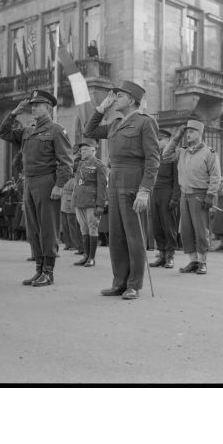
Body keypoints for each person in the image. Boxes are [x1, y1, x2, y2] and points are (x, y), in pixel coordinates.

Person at [84, 80, 160, 300]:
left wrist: (145, 190)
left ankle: (134, 284)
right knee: (116, 236)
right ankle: (119, 282)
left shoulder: (146, 123)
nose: (115, 98)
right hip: (115, 180)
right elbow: (89, 131)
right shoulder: (116, 123)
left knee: (134, 236)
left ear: (132, 100)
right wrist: (101, 108)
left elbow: (153, 159)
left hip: (133, 181)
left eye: (119, 96)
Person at [0, 89, 73, 287]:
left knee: (48, 228)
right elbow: (3, 133)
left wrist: (59, 185)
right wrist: (14, 113)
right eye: (32, 105)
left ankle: (48, 272)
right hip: (29, 182)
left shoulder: (56, 130)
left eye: (37, 105)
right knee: (33, 229)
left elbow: (66, 162)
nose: (33, 108)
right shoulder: (28, 130)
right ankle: (39, 269)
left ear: (48, 108)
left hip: (46, 182)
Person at [162, 119, 221, 274]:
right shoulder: (183, 151)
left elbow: (215, 176)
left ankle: (203, 262)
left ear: (200, 133)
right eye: (187, 132)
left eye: (192, 131)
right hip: (184, 194)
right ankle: (193, 261)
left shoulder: (209, 153)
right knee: (186, 230)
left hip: (200, 195)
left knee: (200, 230)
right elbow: (165, 155)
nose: (188, 134)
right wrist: (176, 137)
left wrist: (210, 195)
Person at [71, 141, 108, 267]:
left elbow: (102, 187)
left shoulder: (99, 165)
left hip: (92, 201)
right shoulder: (80, 164)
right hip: (79, 200)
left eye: (86, 150)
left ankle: (91, 258)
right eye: (81, 150)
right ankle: (85, 255)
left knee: (93, 227)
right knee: (83, 228)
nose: (82, 152)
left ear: (93, 151)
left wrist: (100, 205)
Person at [149, 129, 181, 269]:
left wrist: (175, 197)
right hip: (154, 192)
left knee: (169, 226)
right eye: (157, 139)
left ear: (168, 140)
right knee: (157, 225)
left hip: (168, 193)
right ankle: (161, 254)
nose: (158, 142)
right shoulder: (155, 156)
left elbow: (177, 179)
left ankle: (170, 256)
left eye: (161, 139)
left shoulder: (174, 156)